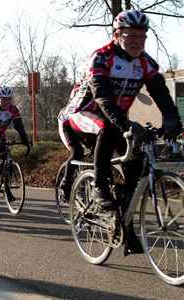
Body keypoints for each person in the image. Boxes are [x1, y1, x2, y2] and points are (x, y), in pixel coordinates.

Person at [66, 10, 182, 254]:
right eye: (131, 35)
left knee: (136, 167)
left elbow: (161, 93)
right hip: (85, 114)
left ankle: (125, 228)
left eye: (142, 36)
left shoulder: (146, 63)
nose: (137, 40)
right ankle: (99, 186)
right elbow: (103, 99)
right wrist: (125, 123)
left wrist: (172, 119)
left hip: (117, 120)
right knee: (106, 127)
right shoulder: (100, 58)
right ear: (117, 34)